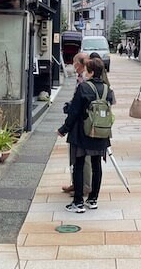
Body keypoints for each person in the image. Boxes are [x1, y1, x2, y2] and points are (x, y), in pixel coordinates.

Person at [57, 57, 114, 213]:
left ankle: (78, 202)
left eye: (87, 70)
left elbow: (75, 111)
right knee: (97, 166)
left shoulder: (83, 87)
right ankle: (93, 199)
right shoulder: (107, 89)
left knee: (79, 166)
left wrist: (63, 129)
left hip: (83, 132)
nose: (85, 72)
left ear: (91, 72)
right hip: (101, 132)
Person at [61, 52, 91, 195]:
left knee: (84, 156)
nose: (73, 66)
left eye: (75, 63)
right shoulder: (80, 77)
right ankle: (76, 183)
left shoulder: (86, 78)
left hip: (83, 122)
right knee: (74, 154)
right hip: (77, 120)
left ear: (80, 64)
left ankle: (84, 186)